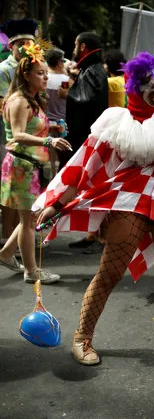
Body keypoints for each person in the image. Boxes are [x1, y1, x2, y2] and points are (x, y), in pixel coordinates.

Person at [35, 52, 154, 365]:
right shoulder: (115, 121)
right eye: (145, 83)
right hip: (126, 204)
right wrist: (55, 202)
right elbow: (83, 166)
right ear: (133, 87)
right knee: (110, 274)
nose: (153, 89)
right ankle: (82, 338)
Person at [0, 41, 72, 283]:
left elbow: (31, 127)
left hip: (30, 167)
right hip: (21, 167)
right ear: (26, 75)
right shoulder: (20, 100)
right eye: (40, 74)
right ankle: (31, 272)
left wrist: (50, 127)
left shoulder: (32, 99)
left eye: (46, 73)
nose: (45, 78)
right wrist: (49, 141)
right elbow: (18, 134)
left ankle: (6, 253)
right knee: (29, 221)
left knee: (30, 218)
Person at [63, 32, 109, 250]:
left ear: (82, 47)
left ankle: (100, 236)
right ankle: (93, 234)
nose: (73, 48)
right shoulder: (92, 69)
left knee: (93, 185)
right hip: (88, 137)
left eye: (75, 44)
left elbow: (86, 100)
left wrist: (68, 93)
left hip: (89, 138)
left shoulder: (93, 71)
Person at [0, 19, 39, 244]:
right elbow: (4, 104)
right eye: (21, 43)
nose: (26, 46)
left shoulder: (31, 67)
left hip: (28, 134)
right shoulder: (4, 69)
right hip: (10, 134)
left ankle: (19, 237)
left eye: (29, 42)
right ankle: (7, 236)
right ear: (11, 46)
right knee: (10, 188)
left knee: (24, 190)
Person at [45, 48, 70, 123]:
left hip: (44, 120)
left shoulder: (43, 78)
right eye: (63, 61)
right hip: (60, 121)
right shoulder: (65, 81)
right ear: (59, 62)